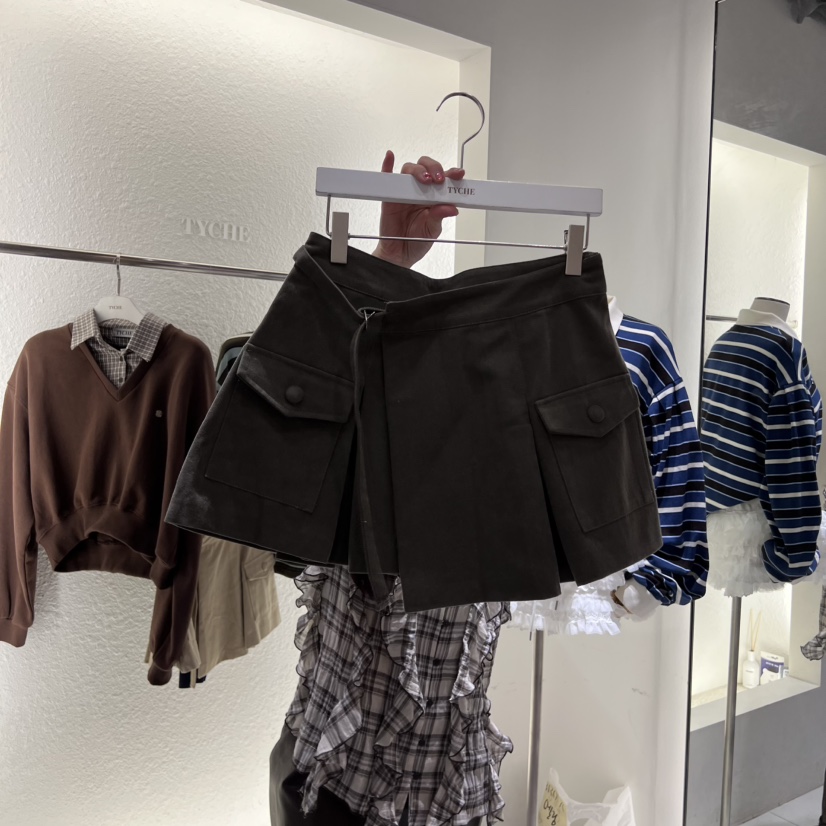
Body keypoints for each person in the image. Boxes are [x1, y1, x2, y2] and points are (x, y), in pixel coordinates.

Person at [270, 153, 498, 826]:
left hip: (433, 786)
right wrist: (391, 258)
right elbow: (312, 393)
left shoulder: (489, 453)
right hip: (326, 773)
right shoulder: (347, 433)